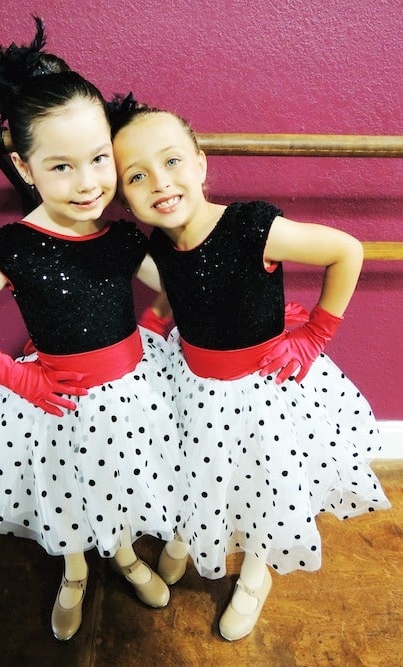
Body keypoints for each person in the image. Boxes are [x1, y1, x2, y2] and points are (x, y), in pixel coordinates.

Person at [0, 22, 181, 641]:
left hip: (129, 390)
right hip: (55, 400)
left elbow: (173, 288)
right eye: (62, 167)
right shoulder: (14, 246)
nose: (89, 183)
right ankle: (72, 571)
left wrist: (147, 331)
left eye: (98, 160)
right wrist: (16, 376)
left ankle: (119, 552)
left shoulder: (119, 237)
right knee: (67, 488)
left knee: (120, 476)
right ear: (24, 165)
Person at [110, 96, 391, 641]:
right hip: (195, 383)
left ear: (200, 162)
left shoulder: (252, 225)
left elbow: (346, 251)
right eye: (137, 176)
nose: (160, 184)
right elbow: (177, 294)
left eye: (171, 162)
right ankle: (189, 535)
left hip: (262, 390)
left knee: (264, 482)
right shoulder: (160, 243)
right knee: (199, 469)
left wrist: (315, 336)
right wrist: (148, 325)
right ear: (125, 194)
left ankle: (257, 570)